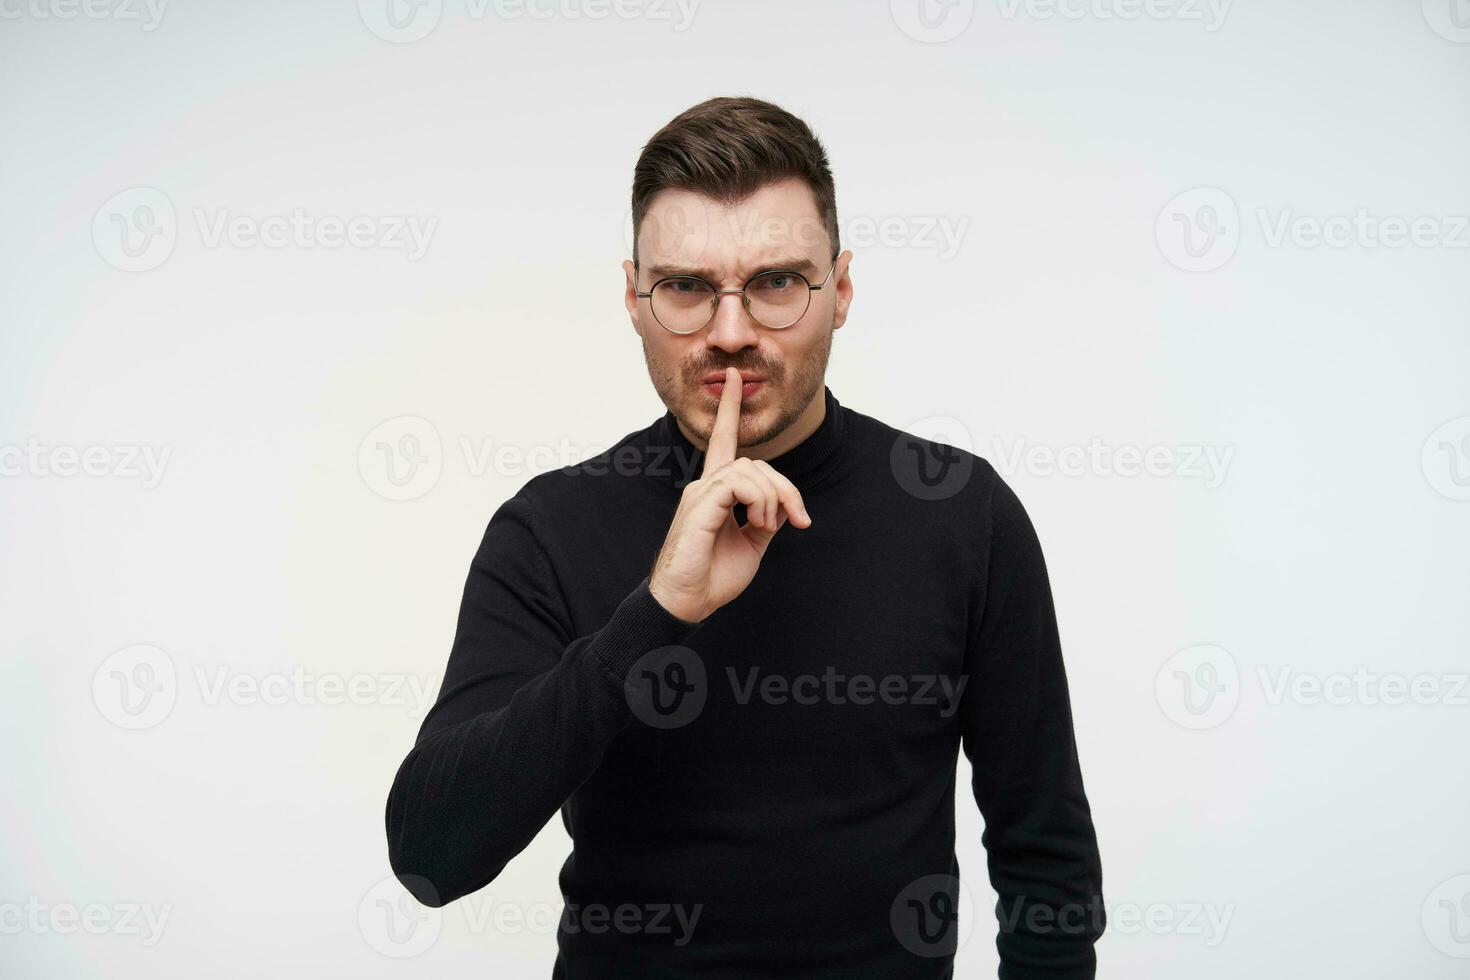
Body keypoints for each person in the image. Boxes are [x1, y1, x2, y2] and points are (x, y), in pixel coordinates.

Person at [385, 95, 1105, 978]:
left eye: (776, 283)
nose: (731, 333)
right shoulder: (550, 528)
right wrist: (654, 613)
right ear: (633, 299)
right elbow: (431, 852)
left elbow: (1050, 871)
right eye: (686, 288)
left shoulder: (964, 514)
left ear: (840, 291)